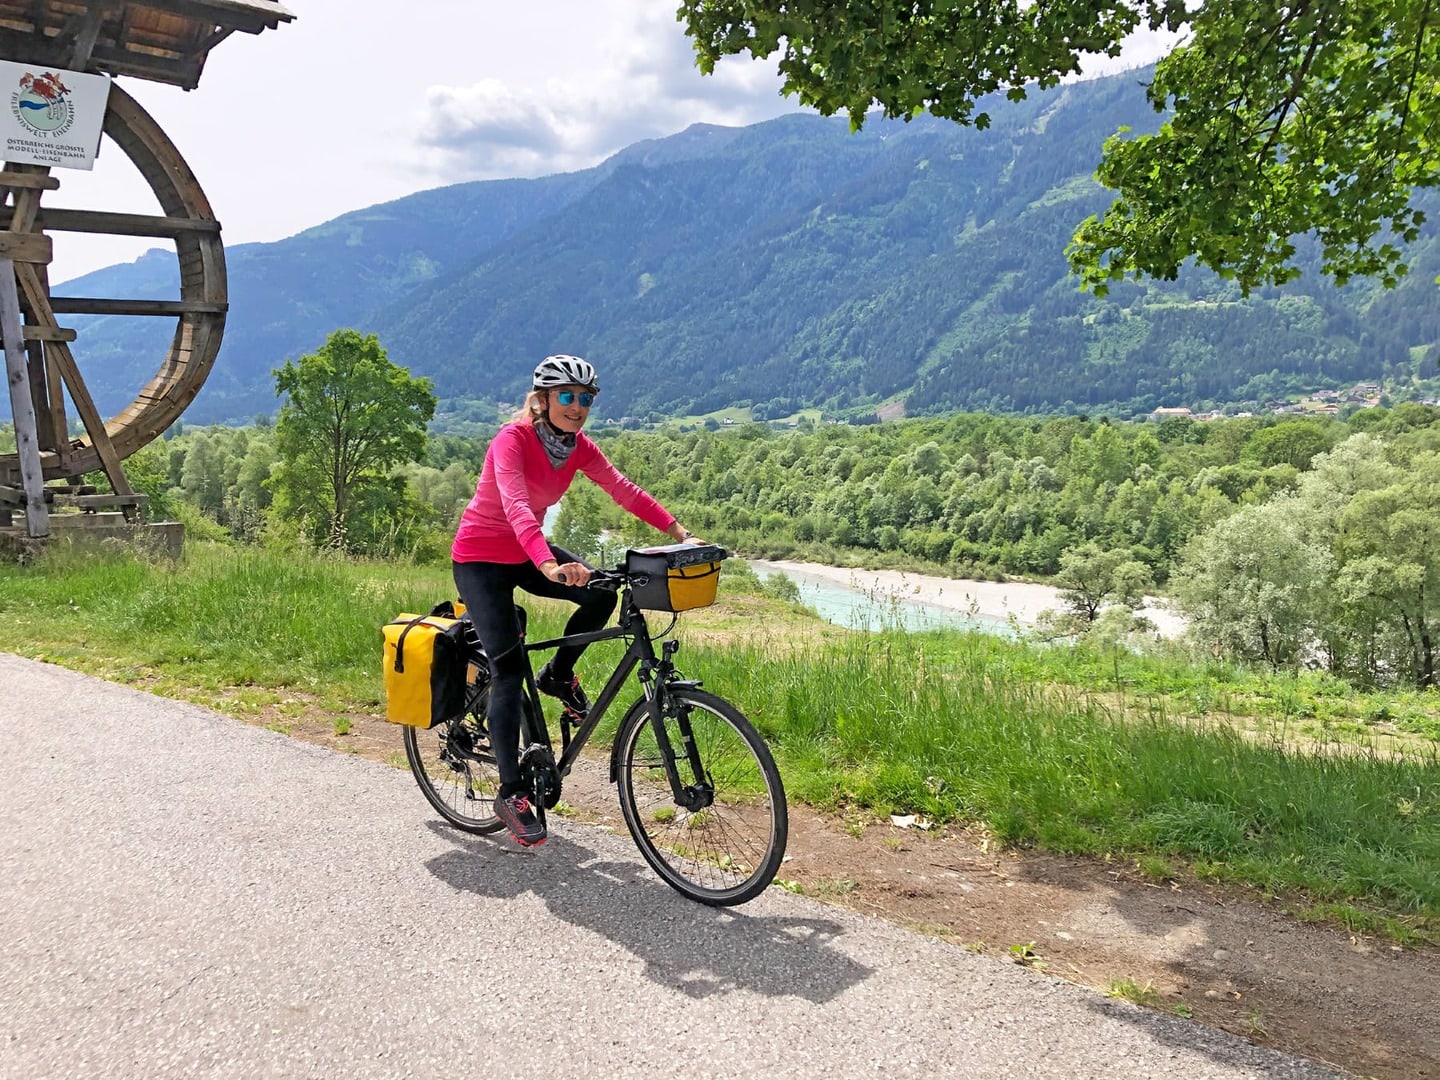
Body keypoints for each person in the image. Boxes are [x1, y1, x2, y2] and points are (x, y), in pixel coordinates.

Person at [451, 354, 703, 847]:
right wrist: (547, 563)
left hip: (528, 553)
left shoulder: (577, 448)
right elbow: (515, 503)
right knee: (504, 670)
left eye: (586, 398)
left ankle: (558, 675)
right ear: (542, 400)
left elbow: (623, 491)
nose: (578, 406)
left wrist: (680, 533)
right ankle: (510, 793)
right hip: (481, 558)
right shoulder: (513, 440)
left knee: (599, 595)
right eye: (567, 396)